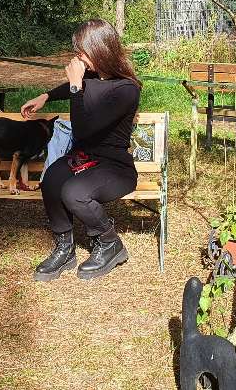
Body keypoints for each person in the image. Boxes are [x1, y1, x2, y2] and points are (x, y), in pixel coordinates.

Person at [20, 19, 142, 282]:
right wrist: (46, 96)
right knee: (51, 180)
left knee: (74, 192)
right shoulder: (93, 77)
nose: (78, 58)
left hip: (114, 167)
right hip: (85, 159)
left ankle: (110, 243)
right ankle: (65, 249)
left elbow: (84, 131)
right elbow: (79, 86)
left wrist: (76, 86)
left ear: (100, 50)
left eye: (82, 52)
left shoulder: (126, 90)